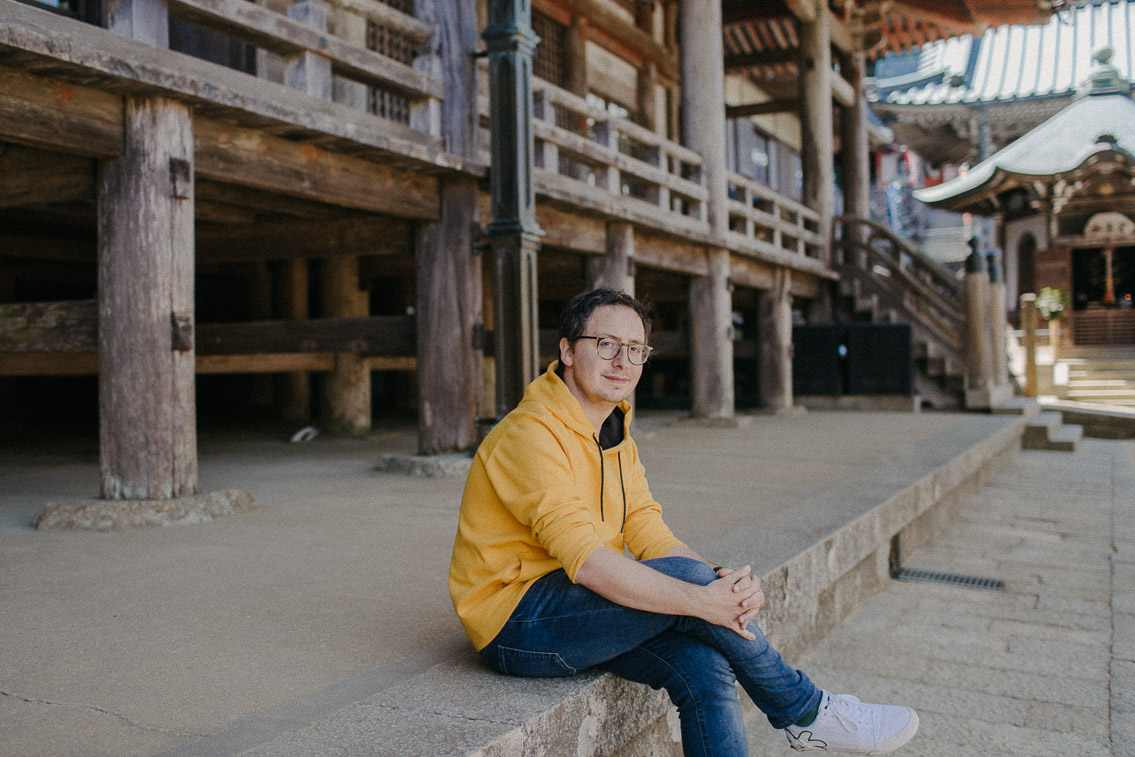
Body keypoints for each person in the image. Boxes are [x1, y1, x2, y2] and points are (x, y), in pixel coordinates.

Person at [448, 288, 919, 755]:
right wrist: (700, 598)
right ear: (568, 350)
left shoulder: (613, 430)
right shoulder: (530, 433)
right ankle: (806, 711)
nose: (621, 361)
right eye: (605, 344)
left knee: (704, 665)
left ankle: (804, 713)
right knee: (695, 594)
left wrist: (722, 583)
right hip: (516, 622)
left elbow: (648, 530)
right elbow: (588, 562)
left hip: (578, 606)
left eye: (635, 350)